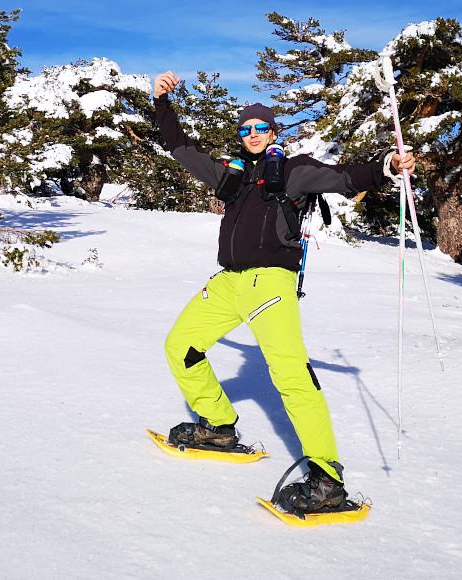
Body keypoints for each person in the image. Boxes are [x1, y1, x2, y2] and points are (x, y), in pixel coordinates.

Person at [152, 70, 416, 514]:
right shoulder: (229, 176)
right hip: (228, 282)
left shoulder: (292, 171)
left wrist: (388, 167)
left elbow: (345, 178)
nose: (252, 134)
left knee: (291, 376)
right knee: (181, 347)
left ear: (273, 132)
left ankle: (327, 481)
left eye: (261, 128)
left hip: (270, 282)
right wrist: (161, 103)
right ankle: (217, 424)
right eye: (245, 129)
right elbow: (180, 148)